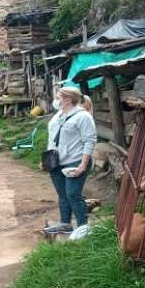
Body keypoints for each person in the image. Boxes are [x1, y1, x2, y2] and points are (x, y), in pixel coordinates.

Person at [43, 87, 98, 235]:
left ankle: (83, 227)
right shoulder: (57, 116)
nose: (55, 100)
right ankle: (65, 223)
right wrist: (47, 160)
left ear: (67, 100)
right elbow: (52, 139)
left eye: (58, 97)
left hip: (75, 162)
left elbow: (90, 141)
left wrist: (83, 165)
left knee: (73, 194)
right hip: (56, 163)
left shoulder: (83, 117)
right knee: (62, 195)